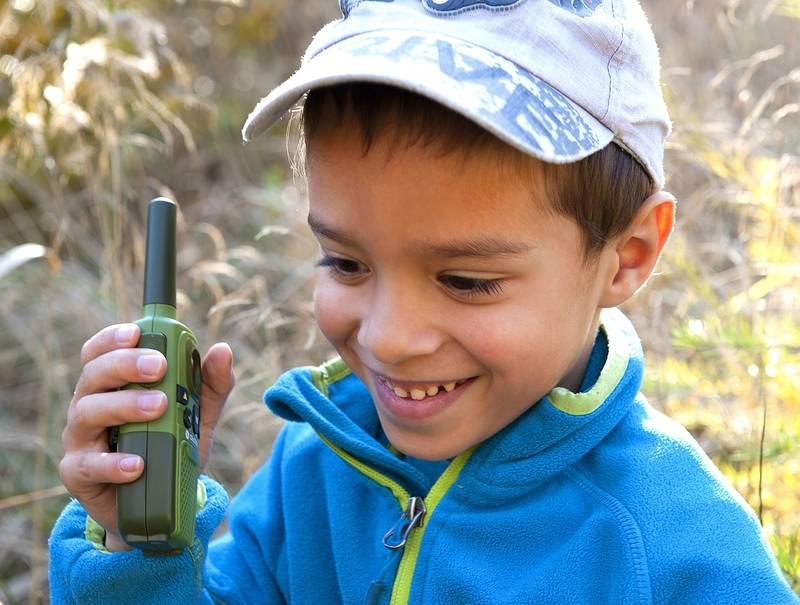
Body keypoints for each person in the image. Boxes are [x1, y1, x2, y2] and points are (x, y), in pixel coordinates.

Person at [49, 1, 799, 603]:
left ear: (627, 255)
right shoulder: (315, 467)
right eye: (346, 261)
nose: (390, 337)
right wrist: (138, 549)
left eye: (467, 281)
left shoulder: (677, 552)